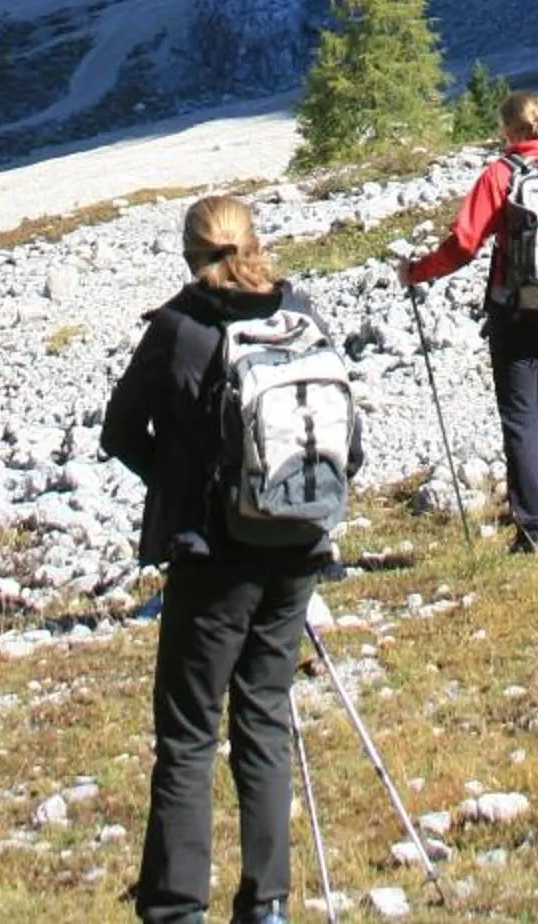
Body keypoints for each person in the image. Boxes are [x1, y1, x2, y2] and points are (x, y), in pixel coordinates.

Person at [102, 193, 360, 924]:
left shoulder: (180, 330)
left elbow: (120, 430)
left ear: (191, 254)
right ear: (255, 243)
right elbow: (350, 443)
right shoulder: (302, 314)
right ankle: (267, 902)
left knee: (187, 732)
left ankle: (178, 907)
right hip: (297, 546)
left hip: (213, 557)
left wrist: (184, 489)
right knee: (265, 714)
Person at [398, 87, 538, 551]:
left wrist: (416, 273)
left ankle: (533, 528)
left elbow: (463, 244)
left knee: (518, 410)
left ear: (507, 130)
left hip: (516, 309)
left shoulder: (500, 175)